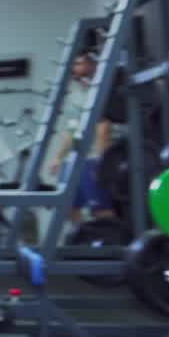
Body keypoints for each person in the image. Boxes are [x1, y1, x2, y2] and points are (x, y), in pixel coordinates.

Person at [46, 49, 116, 225]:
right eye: (74, 64)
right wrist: (58, 158)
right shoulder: (76, 94)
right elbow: (72, 129)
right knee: (67, 206)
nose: (74, 68)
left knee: (100, 208)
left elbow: (104, 128)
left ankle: (109, 241)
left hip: (94, 159)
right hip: (75, 160)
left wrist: (103, 162)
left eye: (79, 63)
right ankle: (85, 238)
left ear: (92, 65)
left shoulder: (101, 90)